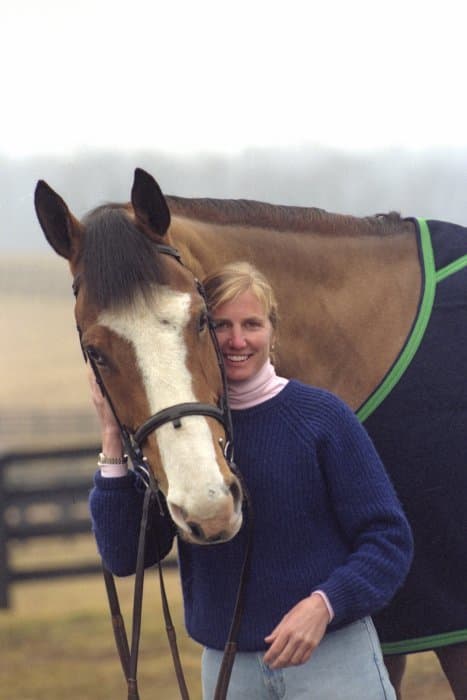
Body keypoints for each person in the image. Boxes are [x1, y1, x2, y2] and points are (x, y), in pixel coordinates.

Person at [89, 261, 413, 700]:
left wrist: (325, 604)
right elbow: (125, 555)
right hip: (229, 670)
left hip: (331, 655)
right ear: (198, 333)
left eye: (252, 324)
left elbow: (389, 540)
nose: (237, 340)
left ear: (272, 333)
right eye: (221, 325)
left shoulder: (322, 418)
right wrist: (111, 436)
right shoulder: (180, 436)